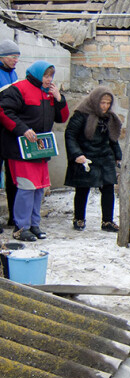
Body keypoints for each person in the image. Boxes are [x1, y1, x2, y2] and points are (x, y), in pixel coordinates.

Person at [0, 61, 69, 241]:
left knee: (38, 188)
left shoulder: (49, 94)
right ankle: (20, 226)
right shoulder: (18, 89)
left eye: (51, 76)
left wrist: (59, 99)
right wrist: (22, 129)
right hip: (20, 149)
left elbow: (62, 118)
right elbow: (4, 111)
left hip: (40, 149)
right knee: (26, 187)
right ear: (37, 74)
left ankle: (34, 224)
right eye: (46, 76)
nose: (49, 80)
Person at [64, 86, 122, 232]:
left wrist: (117, 155)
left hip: (104, 156)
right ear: (95, 101)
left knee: (108, 188)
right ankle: (79, 218)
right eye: (102, 103)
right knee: (83, 189)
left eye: (108, 103)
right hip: (86, 155)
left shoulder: (109, 117)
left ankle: (107, 221)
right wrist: (77, 154)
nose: (105, 106)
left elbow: (113, 138)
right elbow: (70, 134)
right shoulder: (82, 114)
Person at [0, 40, 20, 232]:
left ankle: (14, 216)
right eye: (13, 57)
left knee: (12, 175)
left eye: (17, 57)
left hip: (9, 130)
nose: (16, 60)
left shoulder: (12, 73)